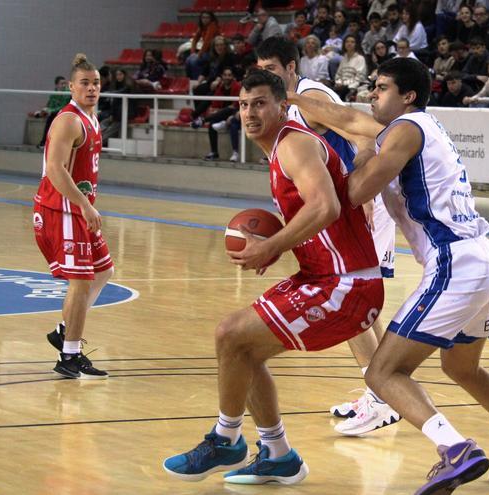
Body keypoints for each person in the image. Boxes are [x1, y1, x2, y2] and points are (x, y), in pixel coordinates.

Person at [289, 57, 489, 493]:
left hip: (456, 262)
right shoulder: (415, 128)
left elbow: (358, 191)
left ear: (408, 96)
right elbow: (345, 117)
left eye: (381, 88)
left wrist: (351, 159)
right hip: (484, 258)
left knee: (382, 373)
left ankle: (454, 449)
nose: (373, 95)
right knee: (462, 368)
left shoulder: (406, 129)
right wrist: (298, 100)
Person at [162, 69, 384, 485]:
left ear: (283, 106)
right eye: (244, 105)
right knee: (242, 352)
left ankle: (226, 438)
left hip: (345, 282)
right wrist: (280, 243)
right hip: (323, 276)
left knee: (231, 334)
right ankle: (278, 454)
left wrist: (274, 244)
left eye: (260, 103)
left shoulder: (294, 144)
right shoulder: (280, 150)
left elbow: (327, 207)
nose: (249, 113)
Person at [254, 37, 401, 435]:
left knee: (351, 298)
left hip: (358, 204)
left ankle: (384, 395)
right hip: (338, 208)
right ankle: (383, 391)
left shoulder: (309, 95)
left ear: (290, 67)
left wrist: (362, 187)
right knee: (354, 301)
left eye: (271, 68)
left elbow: (365, 134)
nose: (264, 75)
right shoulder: (279, 106)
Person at [34, 53, 112, 379]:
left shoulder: (92, 118)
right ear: (71, 86)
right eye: (85, 83)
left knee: (103, 272)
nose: (92, 88)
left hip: (78, 208)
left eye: (95, 83)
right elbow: (54, 169)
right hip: (61, 209)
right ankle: (69, 355)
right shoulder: (68, 120)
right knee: (81, 282)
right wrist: (84, 204)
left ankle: (64, 330)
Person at [202, 68, 242, 162]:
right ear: (222, 76)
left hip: (235, 114)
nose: (227, 77)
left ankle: (235, 153)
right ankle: (214, 152)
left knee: (232, 118)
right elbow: (215, 104)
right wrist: (215, 110)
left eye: (229, 75)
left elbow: (236, 106)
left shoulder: (237, 87)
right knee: (212, 124)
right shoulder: (220, 87)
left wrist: (230, 115)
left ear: (232, 77)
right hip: (222, 114)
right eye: (225, 75)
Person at [35, 76, 71, 148]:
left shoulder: (67, 93)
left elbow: (63, 107)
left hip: (65, 113)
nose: (64, 85)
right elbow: (50, 104)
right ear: (57, 85)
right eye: (62, 84)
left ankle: (44, 142)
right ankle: (44, 142)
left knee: (51, 117)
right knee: (45, 115)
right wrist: (44, 110)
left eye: (64, 83)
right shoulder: (53, 93)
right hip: (54, 112)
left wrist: (50, 111)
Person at [186, 11, 219, 80]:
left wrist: (199, 54)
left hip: (214, 53)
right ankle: (191, 80)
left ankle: (197, 81)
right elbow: (195, 39)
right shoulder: (202, 27)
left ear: (211, 19)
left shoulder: (212, 26)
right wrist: (193, 52)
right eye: (203, 17)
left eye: (207, 17)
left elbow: (207, 42)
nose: (205, 19)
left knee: (194, 61)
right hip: (206, 52)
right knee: (188, 60)